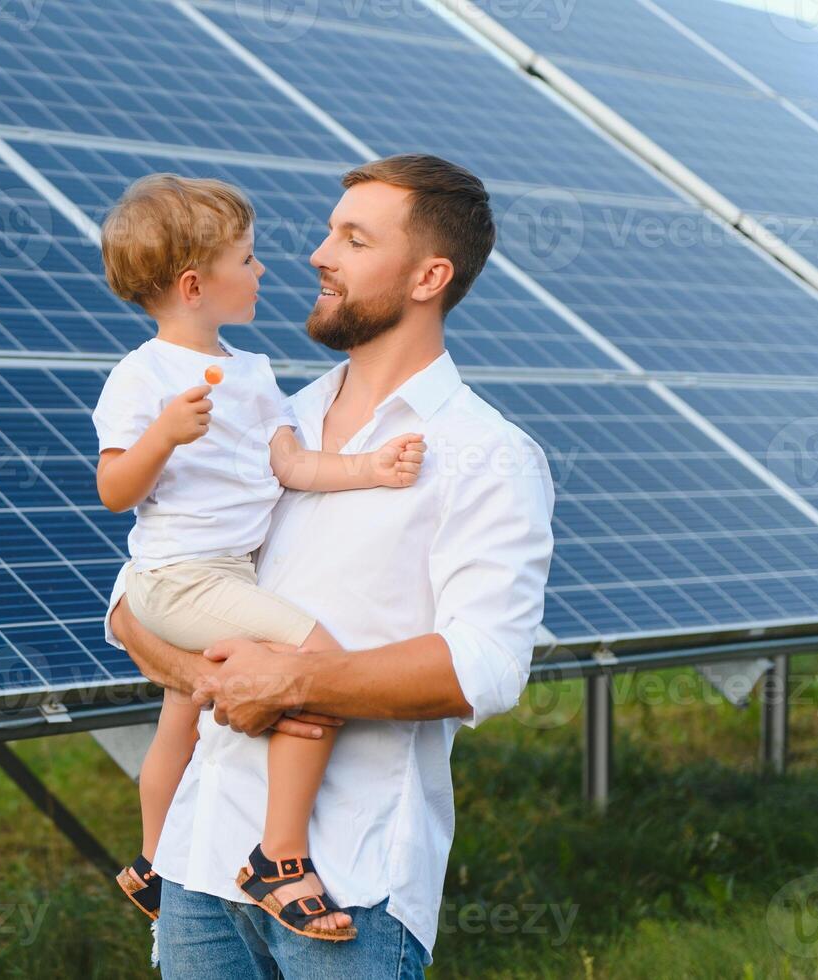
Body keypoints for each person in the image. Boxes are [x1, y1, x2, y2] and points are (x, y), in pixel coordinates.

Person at [106, 154, 556, 978]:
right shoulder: (264, 410)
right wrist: (201, 677)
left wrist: (290, 683)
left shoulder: (486, 455)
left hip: (349, 885)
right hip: (198, 862)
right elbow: (144, 589)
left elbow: (485, 668)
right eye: (327, 231)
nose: (317, 253)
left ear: (427, 276)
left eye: (352, 238)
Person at [93, 173, 426, 942]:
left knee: (179, 719)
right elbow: (114, 489)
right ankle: (278, 856)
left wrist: (369, 469)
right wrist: (161, 438)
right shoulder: (141, 377)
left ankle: (148, 862)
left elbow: (290, 466)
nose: (264, 271)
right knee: (316, 663)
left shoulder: (250, 373)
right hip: (178, 579)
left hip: (222, 576)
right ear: (193, 285)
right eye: (246, 260)